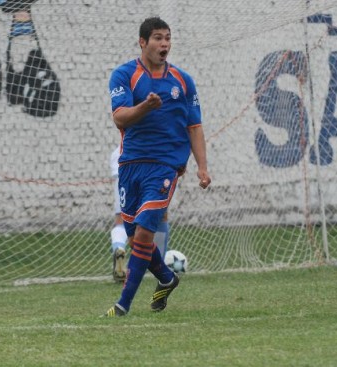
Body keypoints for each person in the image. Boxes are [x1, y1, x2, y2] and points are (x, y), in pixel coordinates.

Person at [104, 17, 211, 317]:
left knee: (145, 232)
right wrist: (145, 107)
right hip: (130, 165)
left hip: (165, 166)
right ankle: (166, 277)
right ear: (143, 42)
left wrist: (202, 166)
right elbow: (120, 118)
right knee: (132, 230)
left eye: (167, 38)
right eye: (158, 38)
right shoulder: (124, 75)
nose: (164, 44)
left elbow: (195, 125)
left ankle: (122, 304)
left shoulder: (183, 80)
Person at [109, 145, 172, 283]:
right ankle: (160, 267)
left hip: (122, 159)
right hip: (152, 162)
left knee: (122, 219)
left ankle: (118, 247)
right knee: (161, 216)